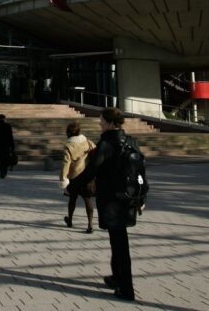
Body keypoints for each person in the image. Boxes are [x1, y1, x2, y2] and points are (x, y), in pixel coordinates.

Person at [67, 107, 141, 302]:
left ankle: (126, 289)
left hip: (112, 200)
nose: (99, 123)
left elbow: (90, 172)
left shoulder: (107, 143)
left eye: (101, 121)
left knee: (119, 244)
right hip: (129, 198)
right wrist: (141, 198)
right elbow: (140, 170)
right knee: (117, 239)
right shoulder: (131, 141)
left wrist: (71, 186)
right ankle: (116, 277)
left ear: (109, 123)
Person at [60, 121, 95, 233]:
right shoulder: (88, 142)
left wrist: (63, 178)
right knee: (88, 199)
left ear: (68, 133)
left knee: (72, 199)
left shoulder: (69, 145)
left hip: (74, 176)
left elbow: (66, 163)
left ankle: (70, 220)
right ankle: (90, 224)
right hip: (87, 175)